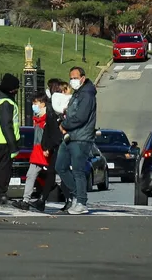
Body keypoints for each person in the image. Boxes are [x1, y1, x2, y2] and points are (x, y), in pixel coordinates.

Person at [55, 65, 97, 215]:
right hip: (70, 137)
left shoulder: (87, 94)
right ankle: (76, 195)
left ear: (83, 78)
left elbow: (81, 117)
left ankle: (81, 202)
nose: (72, 81)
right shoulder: (78, 94)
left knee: (78, 170)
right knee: (60, 166)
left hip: (81, 138)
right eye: (71, 78)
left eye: (75, 78)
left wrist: (64, 124)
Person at [0, 73, 21, 206]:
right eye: (16, 88)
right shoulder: (5, 102)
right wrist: (13, 146)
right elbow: (6, 125)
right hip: (5, 140)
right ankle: (2, 194)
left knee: (3, 167)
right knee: (5, 169)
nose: (17, 91)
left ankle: (1, 194)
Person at [15, 93, 52, 211]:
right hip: (38, 151)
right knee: (31, 175)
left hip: (44, 151)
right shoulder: (38, 118)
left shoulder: (47, 118)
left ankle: (72, 198)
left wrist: (47, 148)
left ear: (42, 104)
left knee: (55, 177)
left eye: (35, 103)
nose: (33, 106)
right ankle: (26, 200)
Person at [39, 79, 71, 210]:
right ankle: (42, 199)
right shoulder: (52, 106)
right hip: (57, 143)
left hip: (62, 143)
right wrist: (46, 145)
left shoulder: (57, 106)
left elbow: (52, 128)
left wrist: (47, 145)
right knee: (53, 172)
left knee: (61, 171)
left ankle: (70, 198)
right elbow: (48, 128)